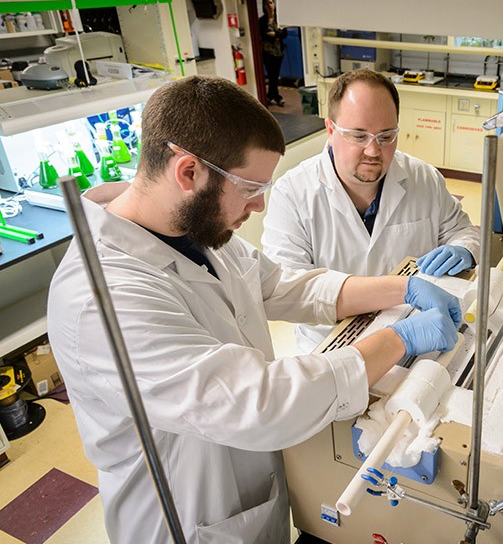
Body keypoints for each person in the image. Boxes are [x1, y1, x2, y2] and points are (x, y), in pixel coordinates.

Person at [46, 75, 461, 544]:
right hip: (187, 516)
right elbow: (254, 400)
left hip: (249, 485)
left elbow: (282, 283)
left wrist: (402, 288)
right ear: (188, 172)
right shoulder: (102, 298)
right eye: (249, 188)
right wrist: (398, 339)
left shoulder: (195, 230)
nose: (261, 204)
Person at [262, 68, 479, 352]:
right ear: (331, 129)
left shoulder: (423, 177)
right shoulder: (292, 193)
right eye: (359, 136)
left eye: (386, 136)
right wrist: (397, 291)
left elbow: (462, 230)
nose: (374, 151)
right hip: (334, 348)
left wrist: (464, 249)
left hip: (421, 333)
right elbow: (286, 291)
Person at [259, 0, 286, 107]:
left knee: (274, 75)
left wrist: (274, 35)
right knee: (272, 75)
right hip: (267, 53)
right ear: (264, 6)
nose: (270, 5)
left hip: (278, 52)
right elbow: (263, 35)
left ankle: (270, 96)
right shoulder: (262, 21)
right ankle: (276, 97)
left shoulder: (279, 19)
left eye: (271, 3)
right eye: (267, 3)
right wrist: (276, 35)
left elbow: (284, 34)